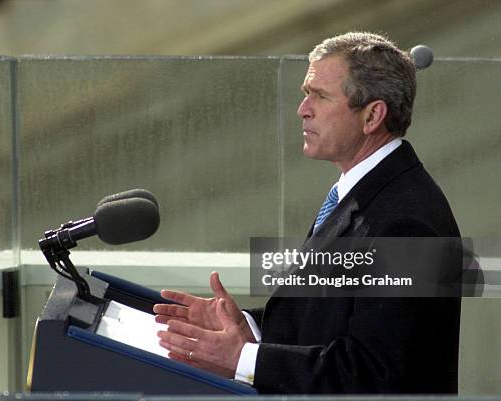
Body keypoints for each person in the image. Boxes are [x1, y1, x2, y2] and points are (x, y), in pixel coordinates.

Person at [154, 32, 461, 394]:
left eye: (320, 96)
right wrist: (247, 329)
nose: (303, 109)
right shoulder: (361, 191)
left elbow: (374, 374)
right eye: (305, 93)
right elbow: (325, 323)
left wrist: (243, 359)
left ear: (373, 115)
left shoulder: (406, 223)